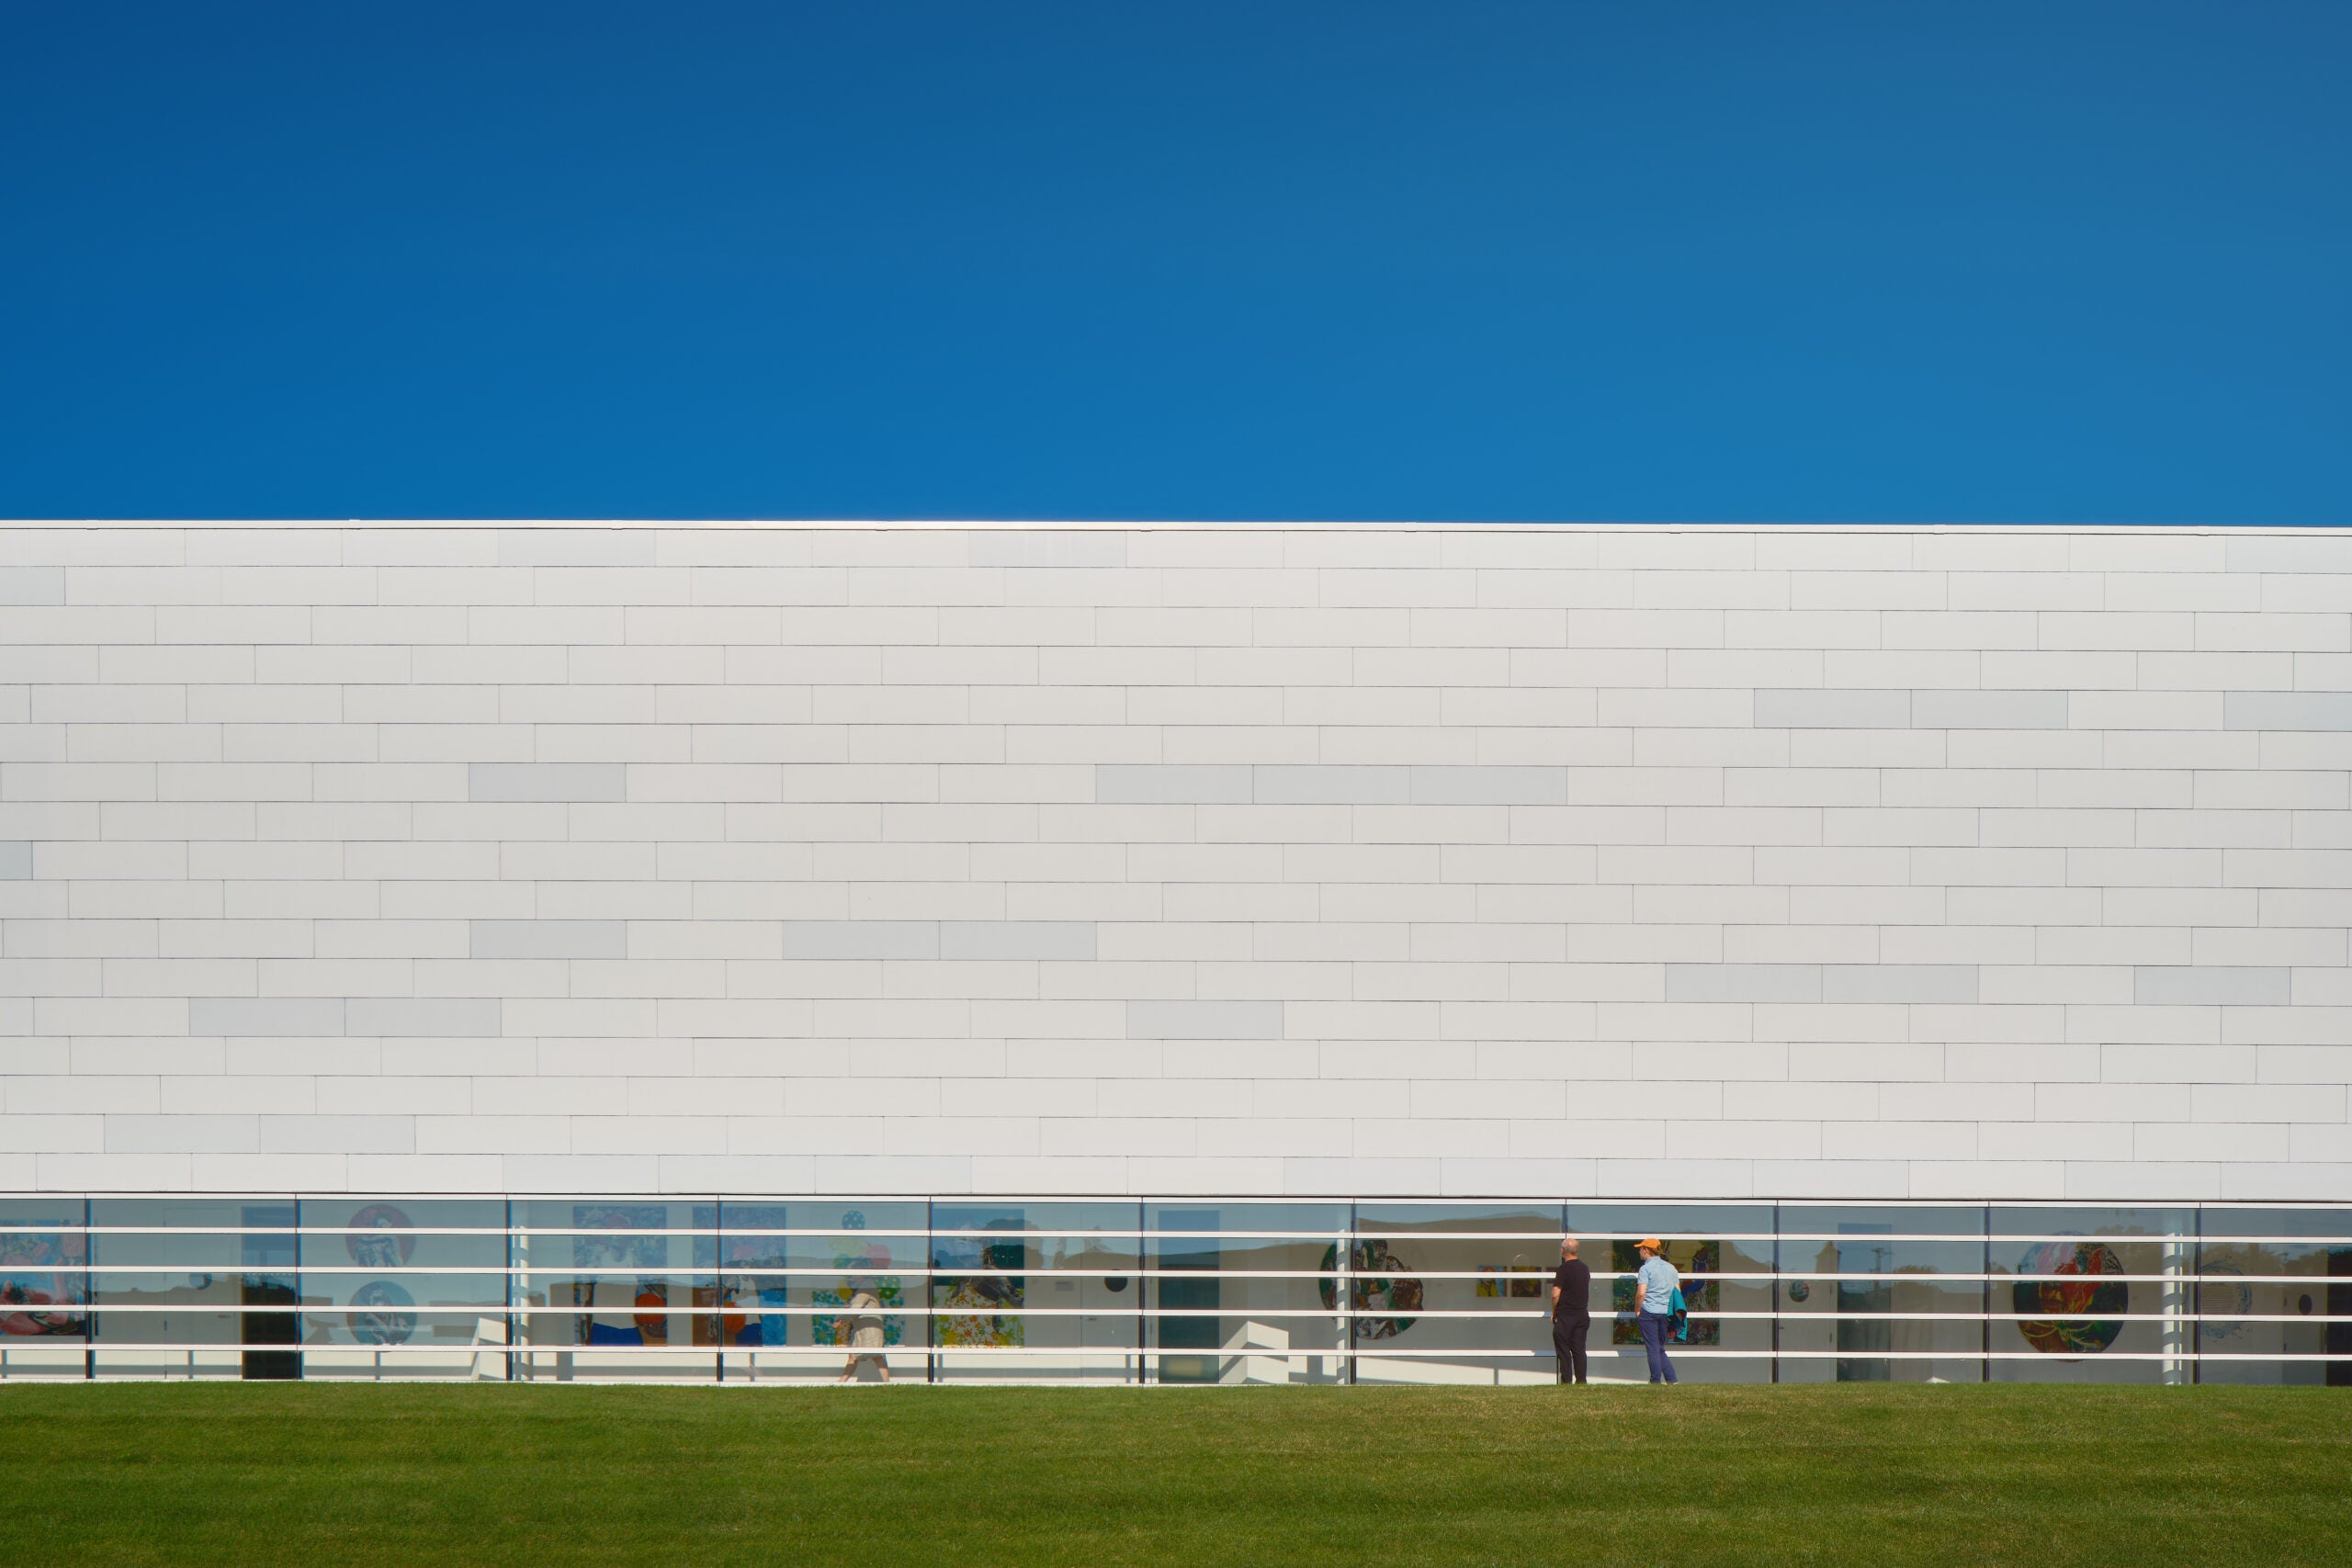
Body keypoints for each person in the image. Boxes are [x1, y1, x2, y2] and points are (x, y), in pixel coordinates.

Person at [1634, 1237, 1679, 1384]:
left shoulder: (1645, 1269)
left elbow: (1641, 1293)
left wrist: (1638, 1310)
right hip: (1666, 1313)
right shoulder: (1671, 1268)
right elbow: (1677, 1292)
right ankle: (1672, 1380)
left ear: (1646, 1250)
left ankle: (1655, 1381)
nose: (1639, 1251)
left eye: (1641, 1248)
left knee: (1653, 1347)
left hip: (1650, 1311)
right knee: (1659, 1347)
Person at [1550, 1237, 1591, 1384]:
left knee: (1563, 1349)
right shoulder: (1584, 1268)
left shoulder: (1564, 1269)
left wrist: (1554, 1311)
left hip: (1566, 1315)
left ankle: (1566, 1381)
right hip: (1582, 1314)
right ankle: (1581, 1380)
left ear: (1563, 1251)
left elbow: (1555, 1293)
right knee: (1579, 1349)